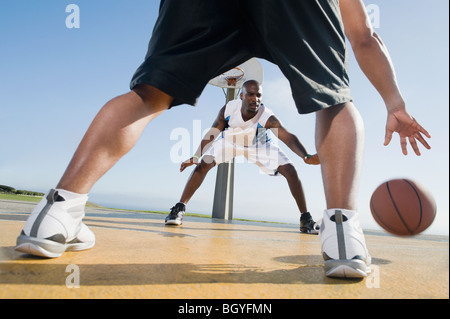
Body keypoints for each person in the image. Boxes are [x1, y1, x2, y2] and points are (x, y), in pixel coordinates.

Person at [16, 0, 431, 279]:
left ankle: (57, 211)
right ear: (244, 90)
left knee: (149, 94)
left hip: (251, 135)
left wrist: (304, 154)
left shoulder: (262, 109)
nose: (253, 93)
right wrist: (394, 102)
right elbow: (364, 37)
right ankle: (340, 229)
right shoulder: (232, 108)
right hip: (235, 133)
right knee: (333, 98)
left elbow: (282, 134)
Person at [165, 80, 321, 233]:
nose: (255, 99)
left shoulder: (266, 115)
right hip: (230, 140)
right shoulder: (228, 109)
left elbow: (287, 136)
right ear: (241, 96)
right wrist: (196, 155)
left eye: (259, 95)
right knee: (203, 164)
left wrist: (305, 155)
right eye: (251, 94)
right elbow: (213, 132)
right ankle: (179, 208)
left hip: (258, 143)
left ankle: (305, 219)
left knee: (291, 171)